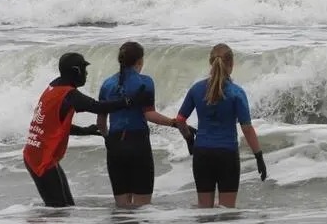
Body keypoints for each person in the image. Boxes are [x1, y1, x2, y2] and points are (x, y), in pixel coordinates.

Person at [23, 52, 150, 207]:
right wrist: (129, 101)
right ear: (76, 71)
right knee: (58, 210)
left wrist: (85, 131)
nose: (87, 74)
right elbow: (97, 107)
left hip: (35, 153)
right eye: (85, 69)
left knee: (65, 208)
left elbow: (55, 125)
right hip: (42, 159)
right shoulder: (68, 94)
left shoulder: (53, 87)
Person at [175, 44, 266, 208]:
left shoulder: (196, 89)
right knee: (227, 213)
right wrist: (259, 156)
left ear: (211, 63)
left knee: (204, 211)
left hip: (202, 153)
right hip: (227, 154)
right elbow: (246, 128)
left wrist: (189, 139)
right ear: (231, 65)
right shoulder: (236, 93)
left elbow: (180, 120)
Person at [96, 42, 186, 208]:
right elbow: (150, 115)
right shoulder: (145, 82)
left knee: (122, 207)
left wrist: (109, 139)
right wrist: (174, 123)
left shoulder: (107, 84)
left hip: (115, 144)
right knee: (142, 207)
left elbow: (101, 123)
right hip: (138, 143)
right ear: (139, 61)